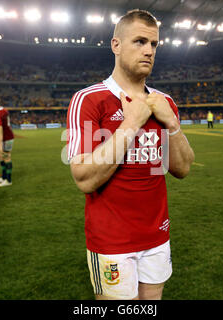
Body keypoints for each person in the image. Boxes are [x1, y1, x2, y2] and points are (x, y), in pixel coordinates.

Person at [66, 9, 195, 300]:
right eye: (139, 41)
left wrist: (172, 123)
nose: (149, 51)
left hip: (157, 235)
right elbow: (84, 179)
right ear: (116, 45)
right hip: (111, 239)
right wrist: (132, 122)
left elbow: (183, 168)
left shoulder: (165, 103)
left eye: (154, 44)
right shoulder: (89, 99)